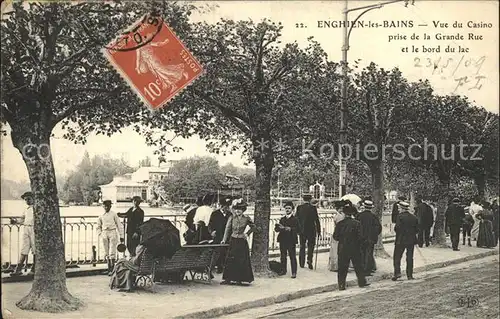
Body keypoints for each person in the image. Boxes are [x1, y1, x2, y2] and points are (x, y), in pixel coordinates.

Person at [332, 201, 369, 290]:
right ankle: (362, 282)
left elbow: (335, 237)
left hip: (342, 248)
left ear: (344, 214)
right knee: (358, 265)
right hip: (355, 248)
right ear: (352, 214)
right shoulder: (357, 223)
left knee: (342, 267)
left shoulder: (340, 224)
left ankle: (341, 285)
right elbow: (361, 237)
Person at [221, 198, 256, 285]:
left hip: (241, 241)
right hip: (233, 240)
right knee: (230, 259)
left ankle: (239, 279)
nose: (237, 211)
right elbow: (227, 229)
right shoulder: (232, 218)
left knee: (241, 260)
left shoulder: (246, 218)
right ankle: (228, 279)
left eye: (239, 209)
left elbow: (253, 227)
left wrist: (247, 234)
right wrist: (224, 239)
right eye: (236, 209)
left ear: (243, 210)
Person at [10, 191, 36, 276]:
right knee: (24, 249)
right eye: (25, 200)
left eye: (29, 199)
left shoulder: (36, 208)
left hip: (34, 229)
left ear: (33, 199)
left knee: (35, 249)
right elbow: (22, 219)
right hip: (26, 229)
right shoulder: (26, 209)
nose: (27, 201)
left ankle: (34, 269)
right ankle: (18, 269)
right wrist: (15, 221)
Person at [392, 201, 418, 281]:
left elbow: (397, 228)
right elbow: (417, 229)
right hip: (411, 240)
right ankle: (409, 275)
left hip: (401, 240)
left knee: (397, 257)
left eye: (399, 208)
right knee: (410, 257)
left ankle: (397, 273)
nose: (399, 209)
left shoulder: (400, 217)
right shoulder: (414, 217)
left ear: (402, 208)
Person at [97, 200, 124, 275]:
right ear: (103, 206)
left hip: (112, 232)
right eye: (105, 206)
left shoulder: (114, 214)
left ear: (110, 206)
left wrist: (121, 236)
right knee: (106, 251)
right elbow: (98, 226)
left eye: (108, 206)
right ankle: (108, 268)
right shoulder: (101, 215)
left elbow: (119, 225)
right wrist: (100, 234)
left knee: (112, 251)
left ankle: (112, 269)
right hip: (104, 233)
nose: (106, 207)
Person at [356, 200, 382, 276]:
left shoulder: (359, 216)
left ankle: (362, 269)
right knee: (369, 253)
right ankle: (368, 270)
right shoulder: (374, 217)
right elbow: (378, 228)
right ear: (371, 208)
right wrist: (374, 235)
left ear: (364, 207)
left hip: (361, 238)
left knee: (361, 253)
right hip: (371, 238)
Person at [296, 193, 321, 269]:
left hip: (302, 230)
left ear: (303, 199)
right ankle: (309, 259)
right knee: (311, 246)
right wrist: (319, 231)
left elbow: (296, 219)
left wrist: (297, 230)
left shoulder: (299, 208)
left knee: (302, 246)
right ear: (310, 200)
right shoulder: (313, 208)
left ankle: (301, 263)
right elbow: (317, 220)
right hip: (311, 230)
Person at [275, 201, 299, 278]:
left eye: (289, 208)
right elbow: (277, 230)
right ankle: (283, 270)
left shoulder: (295, 219)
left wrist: (290, 229)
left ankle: (294, 272)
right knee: (283, 256)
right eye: (286, 208)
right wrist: (278, 227)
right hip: (283, 239)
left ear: (292, 209)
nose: (287, 210)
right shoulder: (282, 219)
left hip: (291, 240)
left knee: (292, 256)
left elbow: (299, 230)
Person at [208, 197, 233, 273]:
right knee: (217, 251)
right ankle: (216, 266)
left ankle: (222, 267)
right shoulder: (215, 214)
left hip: (227, 236)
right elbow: (210, 224)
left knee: (225, 251)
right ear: (221, 206)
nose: (227, 208)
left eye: (228, 206)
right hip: (217, 235)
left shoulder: (230, 214)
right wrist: (211, 232)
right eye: (225, 206)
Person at [328, 201, 345, 272]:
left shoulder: (341, 215)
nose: (342, 210)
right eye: (340, 208)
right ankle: (335, 265)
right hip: (338, 234)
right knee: (335, 250)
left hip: (339, 234)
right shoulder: (338, 216)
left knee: (337, 250)